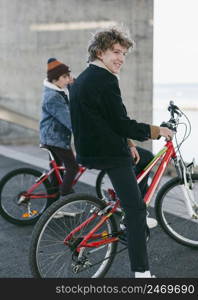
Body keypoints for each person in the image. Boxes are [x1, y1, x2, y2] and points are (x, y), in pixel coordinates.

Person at [69, 27, 173, 278]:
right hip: (107, 153)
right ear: (99, 51)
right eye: (116, 52)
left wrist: (128, 142)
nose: (121, 59)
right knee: (137, 211)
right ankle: (142, 274)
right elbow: (122, 123)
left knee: (145, 159)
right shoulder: (106, 79)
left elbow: (105, 119)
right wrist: (158, 131)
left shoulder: (85, 77)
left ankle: (127, 214)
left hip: (89, 148)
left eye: (124, 54)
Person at [40, 58, 79, 197]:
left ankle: (53, 203)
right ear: (54, 80)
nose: (68, 79)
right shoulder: (53, 97)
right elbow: (68, 120)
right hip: (55, 139)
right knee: (73, 167)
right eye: (65, 77)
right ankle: (65, 198)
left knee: (57, 172)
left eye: (68, 75)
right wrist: (84, 132)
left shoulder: (57, 91)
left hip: (52, 138)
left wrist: (71, 84)